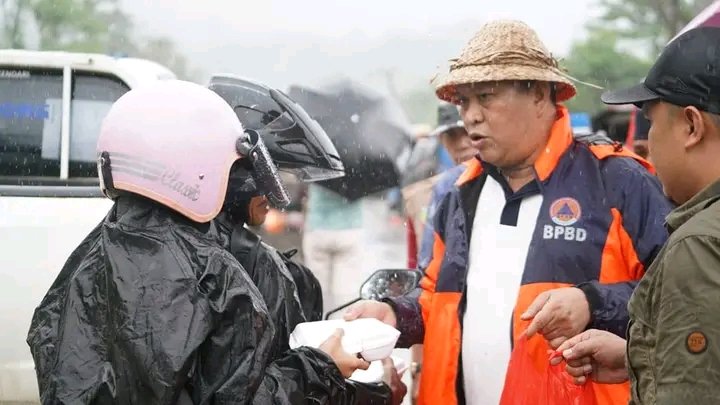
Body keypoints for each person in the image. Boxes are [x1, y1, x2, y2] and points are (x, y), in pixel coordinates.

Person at [345, 19, 671, 405]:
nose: (470, 116)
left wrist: (593, 304)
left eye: (485, 97)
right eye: (464, 102)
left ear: (539, 95)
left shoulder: (618, 181)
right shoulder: (458, 194)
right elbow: (436, 297)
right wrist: (396, 315)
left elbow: (679, 299)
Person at [25, 80, 386, 404]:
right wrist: (321, 369)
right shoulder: (214, 276)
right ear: (201, 165)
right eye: (246, 169)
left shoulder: (86, 260)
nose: (270, 191)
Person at [553, 26, 720, 404]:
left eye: (653, 122)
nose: (649, 146)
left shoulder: (698, 244)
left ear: (691, 126)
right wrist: (638, 359)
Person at [401, 102, 476, 404]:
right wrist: (418, 366)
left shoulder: (447, 186)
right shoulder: (430, 192)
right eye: (452, 136)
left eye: (466, 132)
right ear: (442, 141)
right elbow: (423, 276)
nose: (462, 143)